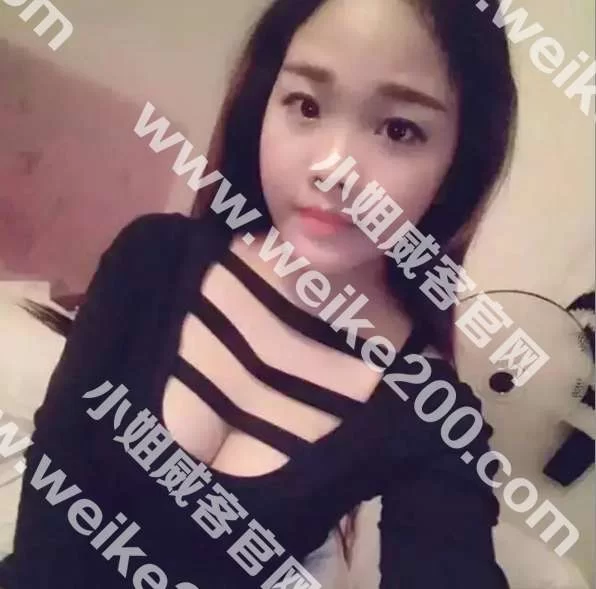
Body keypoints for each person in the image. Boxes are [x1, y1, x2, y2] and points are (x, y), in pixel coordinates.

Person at [0, 0, 517, 587]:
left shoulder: (431, 412)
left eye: (399, 129)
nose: (334, 168)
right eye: (306, 105)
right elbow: (52, 502)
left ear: (459, 162)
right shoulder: (153, 260)